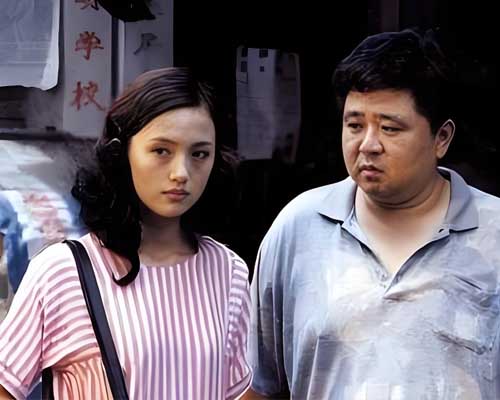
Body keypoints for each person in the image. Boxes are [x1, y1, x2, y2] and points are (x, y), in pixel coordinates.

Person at [246, 28, 500, 399]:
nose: (368, 144)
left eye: (389, 128)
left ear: (442, 138)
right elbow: (260, 386)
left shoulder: (494, 235)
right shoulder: (298, 228)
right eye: (354, 125)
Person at [0, 67, 252, 399]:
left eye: (199, 154)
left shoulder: (228, 271)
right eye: (161, 151)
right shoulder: (62, 272)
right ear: (122, 153)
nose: (181, 172)